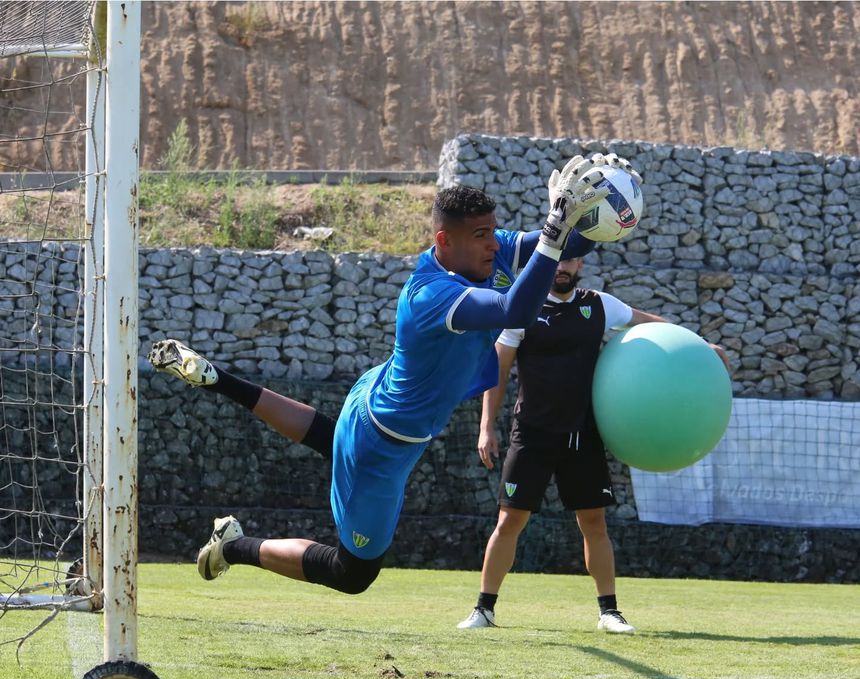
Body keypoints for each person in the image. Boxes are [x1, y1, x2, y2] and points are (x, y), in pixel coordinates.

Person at [149, 153, 639, 596]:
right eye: (481, 235)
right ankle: (235, 546)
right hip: (384, 441)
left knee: (330, 435)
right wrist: (555, 229)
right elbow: (516, 308)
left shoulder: (483, 253)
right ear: (444, 239)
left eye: (493, 231)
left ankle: (218, 379)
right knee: (352, 573)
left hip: (380, 404)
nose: (495, 244)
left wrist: (591, 207)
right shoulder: (431, 295)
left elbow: (562, 245)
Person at [458, 254, 730, 632]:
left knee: (594, 523)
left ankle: (609, 613)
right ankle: (483, 610)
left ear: (580, 264)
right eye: (557, 259)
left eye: (570, 260)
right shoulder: (522, 307)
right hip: (532, 435)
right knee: (509, 521)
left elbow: (650, 324)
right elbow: (498, 370)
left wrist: (699, 346)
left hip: (582, 435)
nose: (563, 268)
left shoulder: (598, 304)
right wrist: (487, 427)